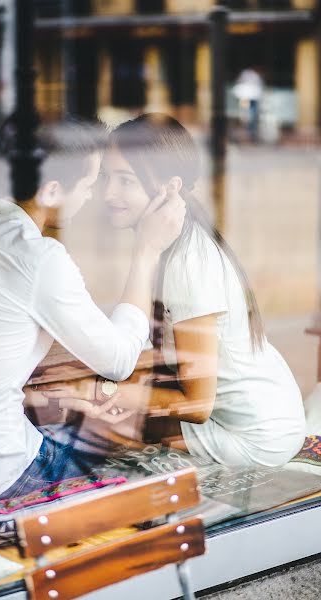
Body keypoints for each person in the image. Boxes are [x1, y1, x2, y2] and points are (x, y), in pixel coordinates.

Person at [0, 117, 186, 503]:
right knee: (141, 469)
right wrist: (147, 251)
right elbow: (119, 360)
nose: (93, 196)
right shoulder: (37, 256)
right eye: (90, 183)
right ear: (53, 190)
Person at [41, 113, 305, 468]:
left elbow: (197, 405)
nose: (108, 193)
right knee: (100, 419)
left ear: (170, 188)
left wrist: (103, 392)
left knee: (97, 433)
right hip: (252, 415)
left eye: (125, 180)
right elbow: (153, 355)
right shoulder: (169, 246)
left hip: (254, 434)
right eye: (106, 177)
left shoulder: (186, 263)